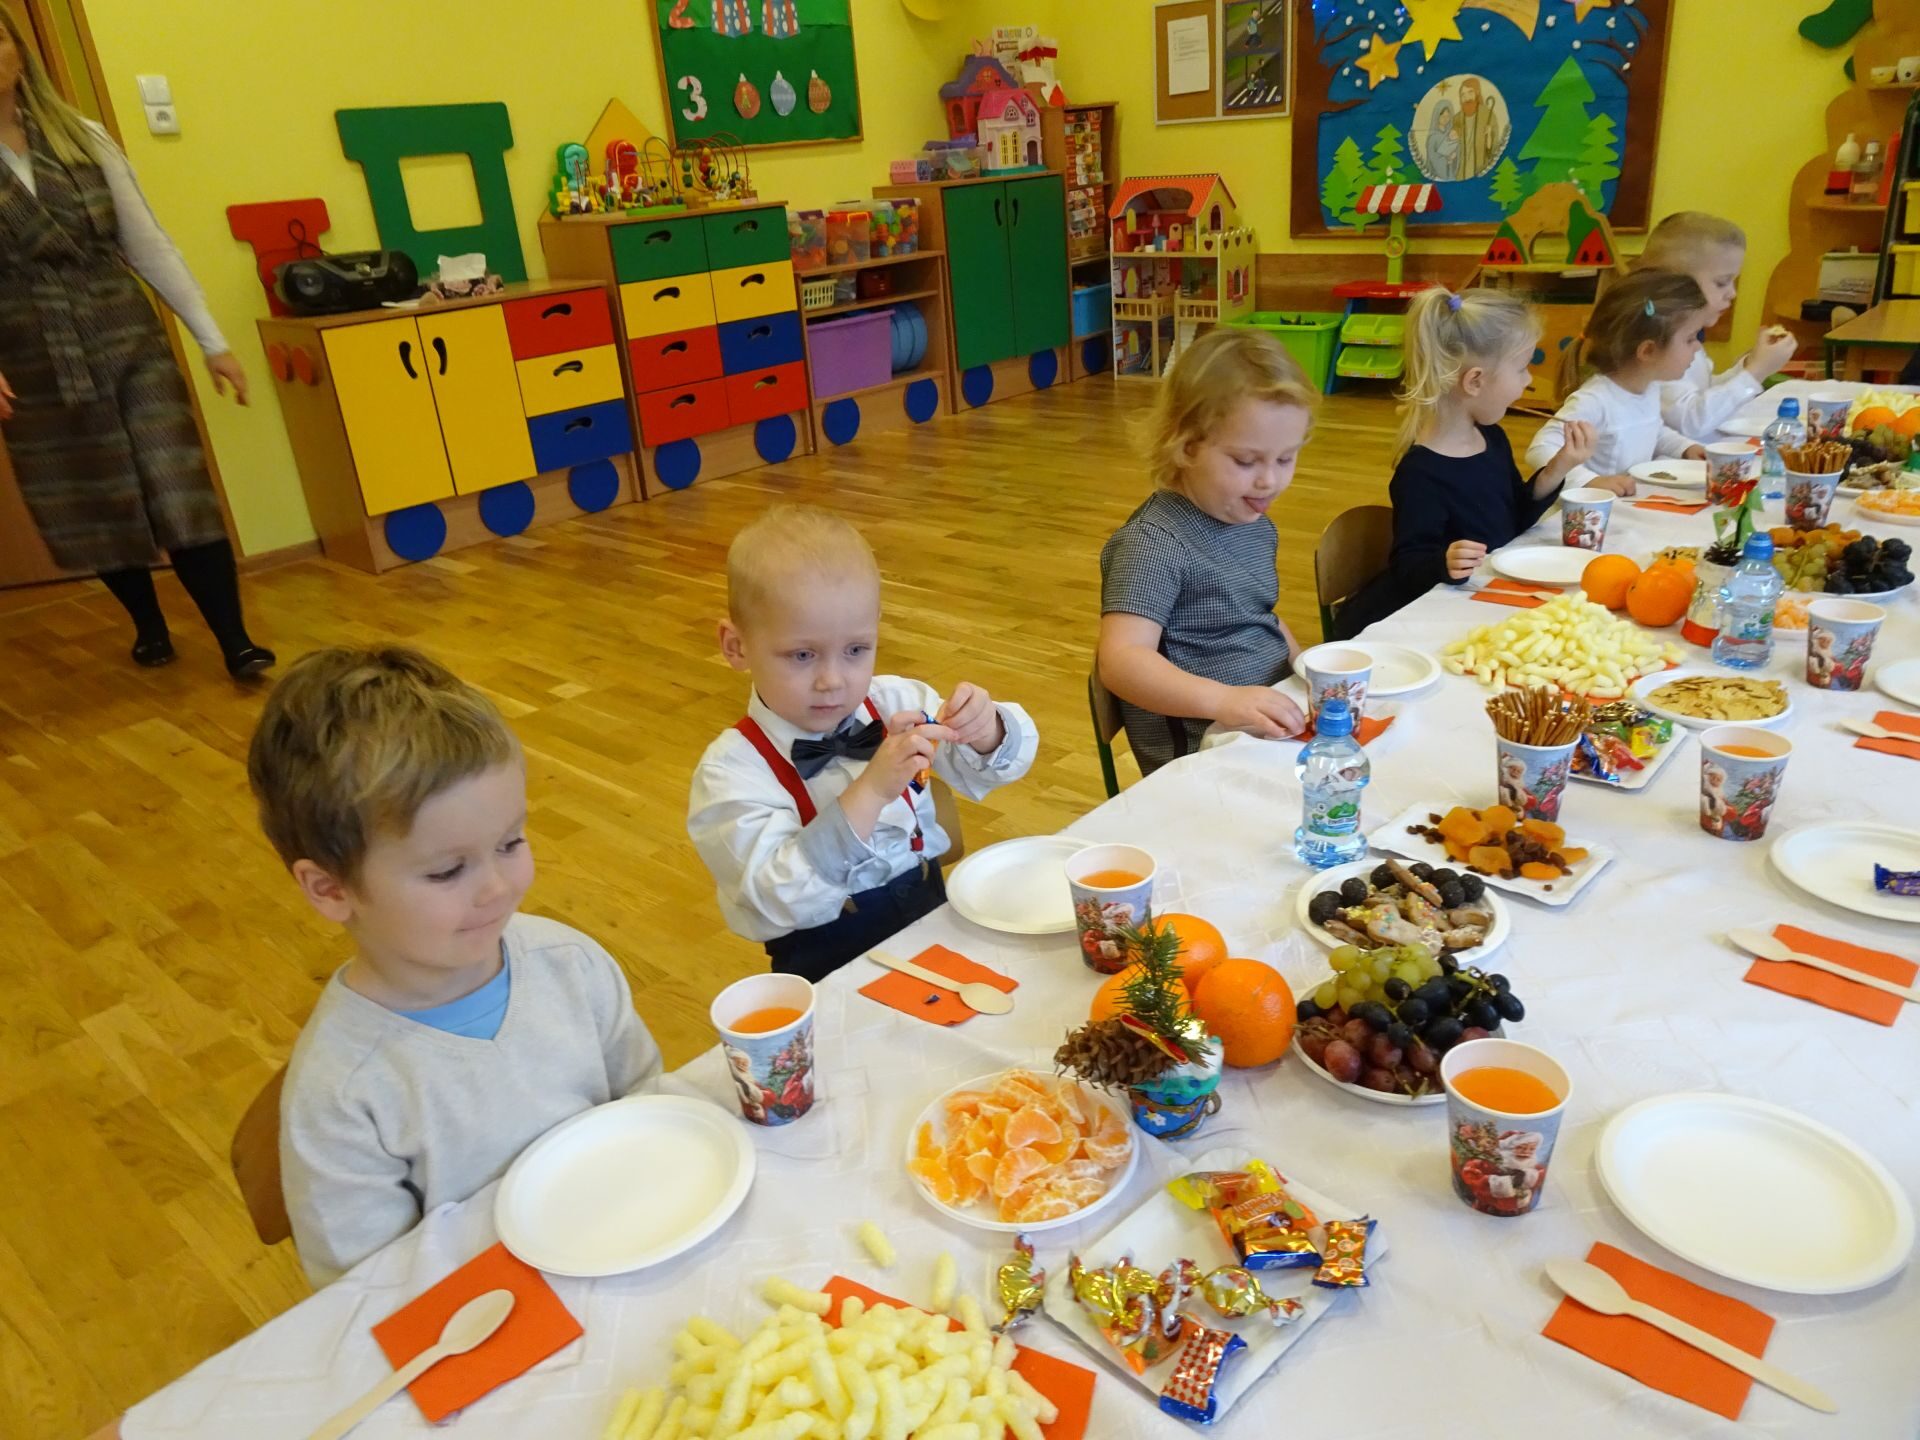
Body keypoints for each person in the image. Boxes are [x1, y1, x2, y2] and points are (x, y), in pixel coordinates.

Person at [249, 648, 662, 1285]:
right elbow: (368, 1291)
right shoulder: (343, 1095)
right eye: (447, 871)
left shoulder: (571, 966)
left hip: (633, 1247)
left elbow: (649, 1107)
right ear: (331, 889)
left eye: (511, 842)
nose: (497, 887)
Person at [0, 12, 270, 676]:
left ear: (18, 52)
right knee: (90, 494)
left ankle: (235, 641)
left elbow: (149, 246)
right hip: (32, 352)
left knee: (177, 482)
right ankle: (149, 625)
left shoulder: (82, 137)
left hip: (127, 335)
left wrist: (212, 341)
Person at [688, 505, 1038, 983]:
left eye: (856, 650)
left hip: (932, 917)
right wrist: (870, 791)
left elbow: (995, 765)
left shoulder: (894, 700)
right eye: (802, 655)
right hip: (828, 960)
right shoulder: (730, 773)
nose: (832, 680)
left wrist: (985, 729)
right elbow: (777, 897)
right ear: (736, 646)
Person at [1097, 326, 1313, 775]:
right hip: (1204, 757)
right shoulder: (1152, 543)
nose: (1269, 481)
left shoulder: (1252, 522)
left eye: (1285, 458)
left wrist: (1307, 669)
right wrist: (1225, 701)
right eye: (1246, 461)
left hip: (1265, 723)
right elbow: (1121, 661)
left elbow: (1261, 616)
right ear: (1187, 446)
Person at [1336, 290, 1601, 636]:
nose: (1528, 381)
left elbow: (1514, 519)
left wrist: (1560, 465)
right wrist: (1443, 562)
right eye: (1521, 369)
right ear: (1475, 381)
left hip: (1485, 596)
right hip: (1430, 617)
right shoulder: (1420, 474)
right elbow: (1409, 566)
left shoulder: (1491, 438)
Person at [1525, 270, 1712, 491]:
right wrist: (1590, 481)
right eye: (1690, 338)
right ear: (1648, 351)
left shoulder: (1649, 388)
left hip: (1627, 502)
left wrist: (1685, 447)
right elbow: (1540, 448)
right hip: (1590, 509)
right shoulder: (1595, 400)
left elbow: (1653, 430)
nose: (1697, 347)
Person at [1633, 212, 1798, 441]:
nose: (1732, 293)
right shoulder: (1656, 344)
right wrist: (1756, 372)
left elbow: (1705, 393)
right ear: (1673, 283)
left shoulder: (1686, 337)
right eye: (1722, 283)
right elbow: (1692, 421)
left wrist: (1749, 365)